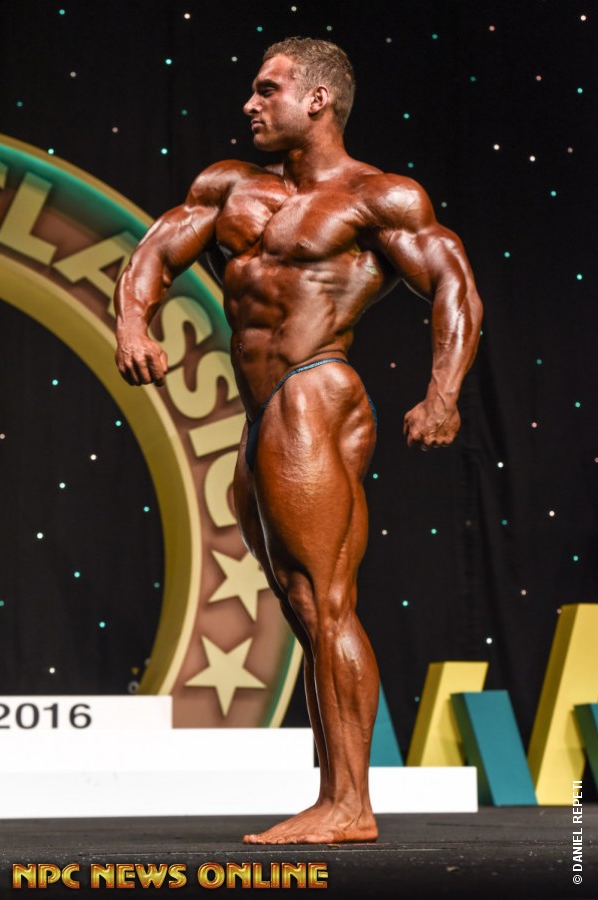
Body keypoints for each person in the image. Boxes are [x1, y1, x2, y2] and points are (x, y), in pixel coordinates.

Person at [114, 37, 483, 844]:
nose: (250, 104)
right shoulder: (228, 186)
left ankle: (351, 804)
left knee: (327, 599)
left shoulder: (378, 197)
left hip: (315, 391)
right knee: (303, 604)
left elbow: (451, 280)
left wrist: (444, 393)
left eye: (266, 89)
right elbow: (154, 253)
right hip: (261, 414)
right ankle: (334, 797)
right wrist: (133, 323)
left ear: (317, 100)